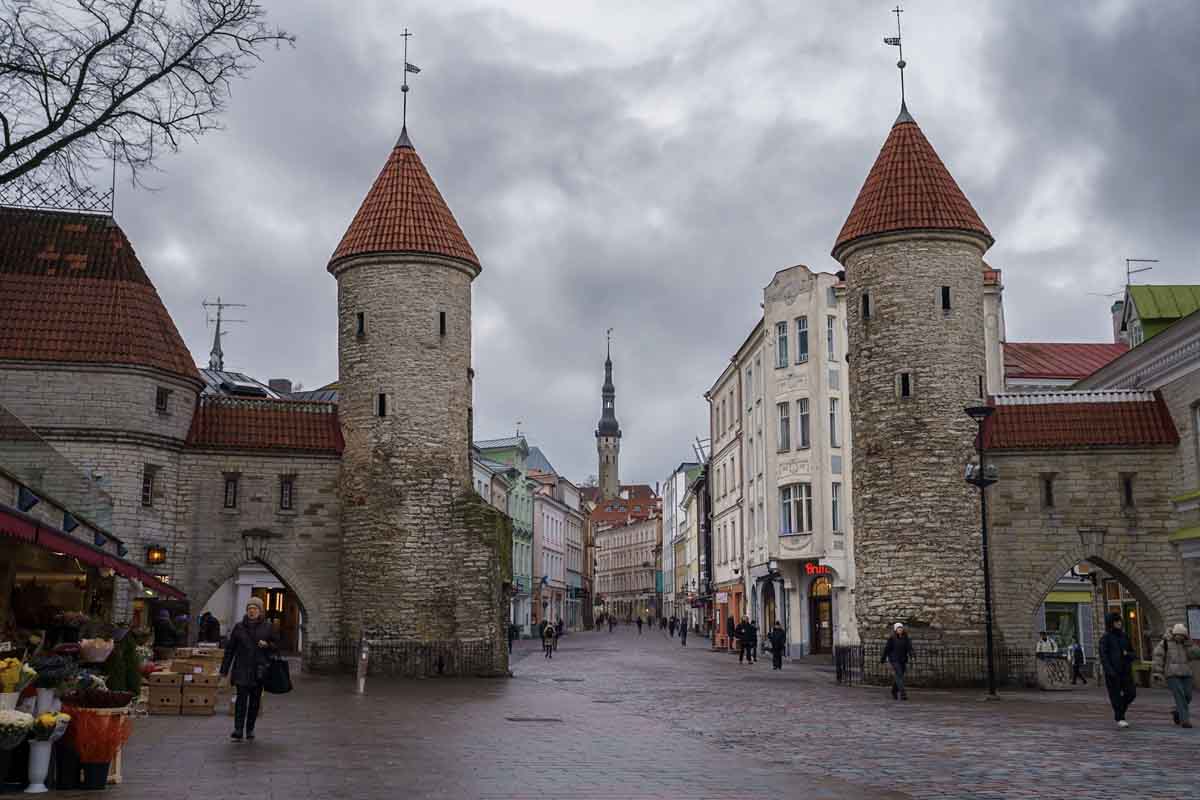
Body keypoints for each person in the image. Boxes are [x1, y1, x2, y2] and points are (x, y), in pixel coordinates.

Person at [219, 597, 277, 741]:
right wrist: (224, 671)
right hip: (242, 669)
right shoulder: (239, 627)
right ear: (246, 610)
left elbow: (276, 646)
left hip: (259, 670)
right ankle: (238, 729)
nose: (252, 611)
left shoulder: (268, 627)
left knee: (254, 702)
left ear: (260, 611)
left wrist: (268, 645)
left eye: (255, 608)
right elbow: (230, 650)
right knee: (241, 701)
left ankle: (250, 729)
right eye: (250, 608)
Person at [1152, 623, 1200, 728]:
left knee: (1188, 695)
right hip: (1172, 674)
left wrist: (1189, 644)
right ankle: (1185, 720)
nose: (1180, 637)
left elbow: (1195, 655)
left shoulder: (1186, 643)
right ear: (1174, 634)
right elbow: (1158, 657)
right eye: (1178, 635)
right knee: (1180, 696)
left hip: (1186, 673)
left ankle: (1177, 711)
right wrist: (1157, 672)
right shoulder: (1165, 642)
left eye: (1182, 636)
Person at [1099, 612, 1137, 728]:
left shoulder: (1125, 636)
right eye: (1116, 622)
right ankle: (1120, 717)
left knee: (1131, 693)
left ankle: (1120, 712)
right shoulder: (1106, 638)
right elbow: (1103, 655)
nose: (1119, 623)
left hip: (1125, 670)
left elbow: (1133, 653)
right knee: (1115, 696)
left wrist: (1128, 654)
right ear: (1111, 623)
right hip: (1113, 671)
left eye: (1120, 621)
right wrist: (1109, 670)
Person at [881, 622, 913, 700]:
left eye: (901, 628)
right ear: (895, 630)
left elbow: (909, 647)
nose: (900, 630)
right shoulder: (892, 638)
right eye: (898, 628)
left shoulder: (906, 638)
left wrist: (912, 654)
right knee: (899, 674)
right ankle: (903, 693)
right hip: (894, 659)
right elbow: (887, 649)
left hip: (903, 659)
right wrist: (883, 658)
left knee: (900, 676)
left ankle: (894, 690)